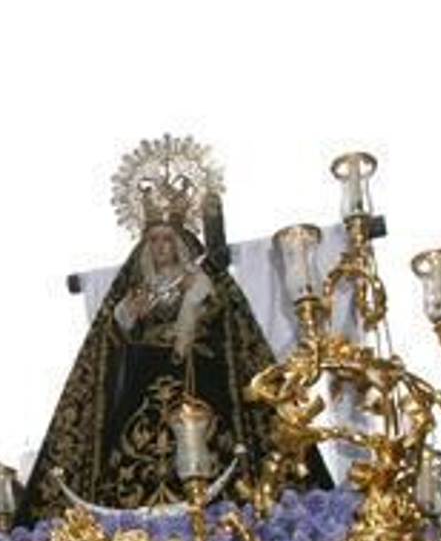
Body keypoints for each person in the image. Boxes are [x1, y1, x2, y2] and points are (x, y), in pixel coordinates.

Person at [19, 175, 328, 521]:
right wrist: (126, 317)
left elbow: (229, 330)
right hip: (142, 382)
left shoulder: (200, 281)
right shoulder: (139, 291)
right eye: (153, 240)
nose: (160, 247)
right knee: (128, 448)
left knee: (213, 438)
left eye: (167, 239)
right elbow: (109, 347)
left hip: (198, 374)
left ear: (180, 245)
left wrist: (197, 300)